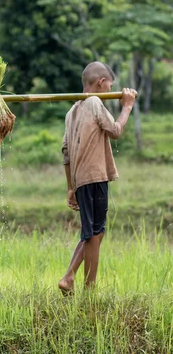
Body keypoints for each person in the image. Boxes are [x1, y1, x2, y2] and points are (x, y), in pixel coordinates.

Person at [58, 61, 136, 294]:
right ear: (102, 83)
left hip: (81, 180)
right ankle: (88, 290)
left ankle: (69, 277)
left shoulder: (72, 111)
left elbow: (66, 153)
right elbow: (115, 131)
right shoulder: (93, 102)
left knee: (93, 231)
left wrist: (71, 187)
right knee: (95, 232)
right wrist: (127, 107)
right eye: (109, 85)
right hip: (94, 176)